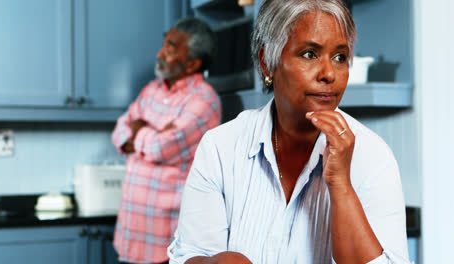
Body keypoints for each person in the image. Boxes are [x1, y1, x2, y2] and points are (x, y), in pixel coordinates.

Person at [168, 0, 410, 263]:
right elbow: (190, 255)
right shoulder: (221, 147)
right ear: (267, 62)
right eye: (309, 54)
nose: (329, 73)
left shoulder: (373, 156)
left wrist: (341, 185)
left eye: (340, 57)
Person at [111, 17, 221, 264]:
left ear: (192, 63)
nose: (160, 53)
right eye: (164, 45)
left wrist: (138, 130)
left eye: (170, 49)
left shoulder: (204, 100)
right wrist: (150, 133)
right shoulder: (152, 90)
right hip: (131, 234)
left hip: (166, 243)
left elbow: (161, 148)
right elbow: (119, 131)